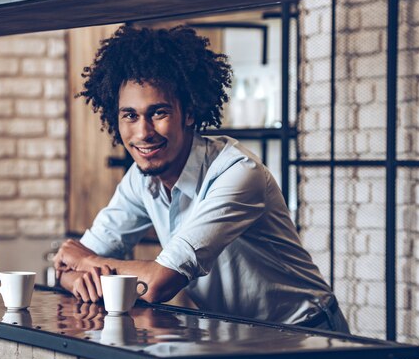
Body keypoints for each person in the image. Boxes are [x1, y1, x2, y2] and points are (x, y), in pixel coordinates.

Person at [53, 25, 349, 333]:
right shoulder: (141, 179)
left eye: (158, 113)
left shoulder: (237, 173)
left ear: (189, 112)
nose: (142, 133)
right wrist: (77, 269)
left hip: (309, 333)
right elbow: (62, 269)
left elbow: (157, 283)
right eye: (130, 115)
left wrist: (88, 263)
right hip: (243, 335)